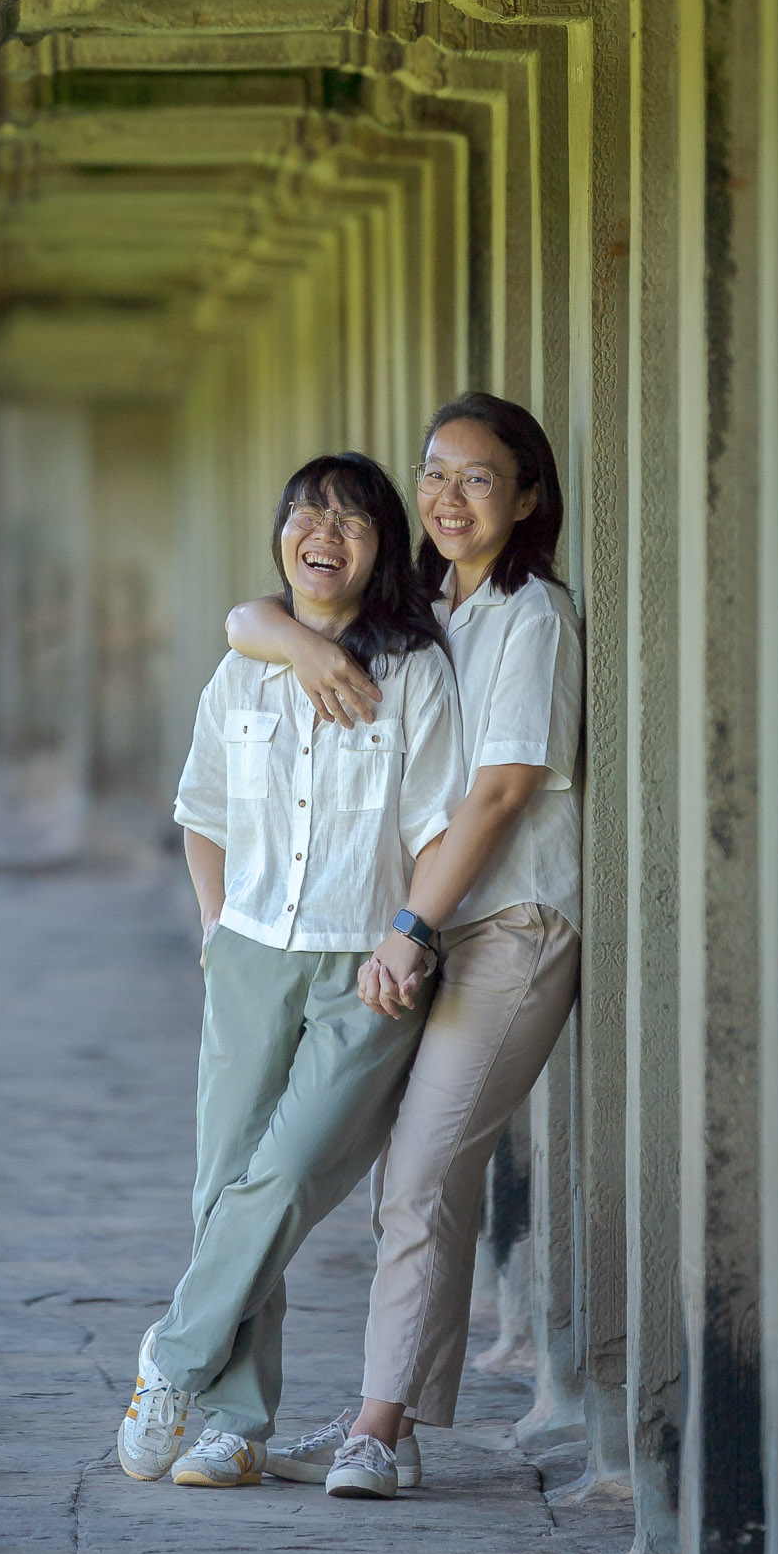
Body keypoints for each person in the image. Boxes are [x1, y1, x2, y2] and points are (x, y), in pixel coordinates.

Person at [224, 393, 582, 1500]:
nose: (448, 497)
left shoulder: (531, 616)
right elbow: (251, 617)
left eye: (479, 478)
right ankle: (378, 1415)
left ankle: (379, 1430)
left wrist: (406, 927)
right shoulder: (424, 603)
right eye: (434, 473)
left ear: (526, 496)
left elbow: (500, 790)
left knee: (423, 1169)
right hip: (417, 930)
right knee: (368, 1171)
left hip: (503, 928)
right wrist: (288, 634)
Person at [117, 451, 462, 1490]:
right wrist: (219, 927)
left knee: (281, 1172)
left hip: (366, 968)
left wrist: (406, 931)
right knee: (224, 1185)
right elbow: (203, 815)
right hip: (250, 954)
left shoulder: (415, 672)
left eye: (351, 521)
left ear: (382, 549)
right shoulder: (242, 668)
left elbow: (440, 825)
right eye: (306, 514)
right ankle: (231, 1425)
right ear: (281, 534)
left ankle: (169, 1359)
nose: (324, 533)